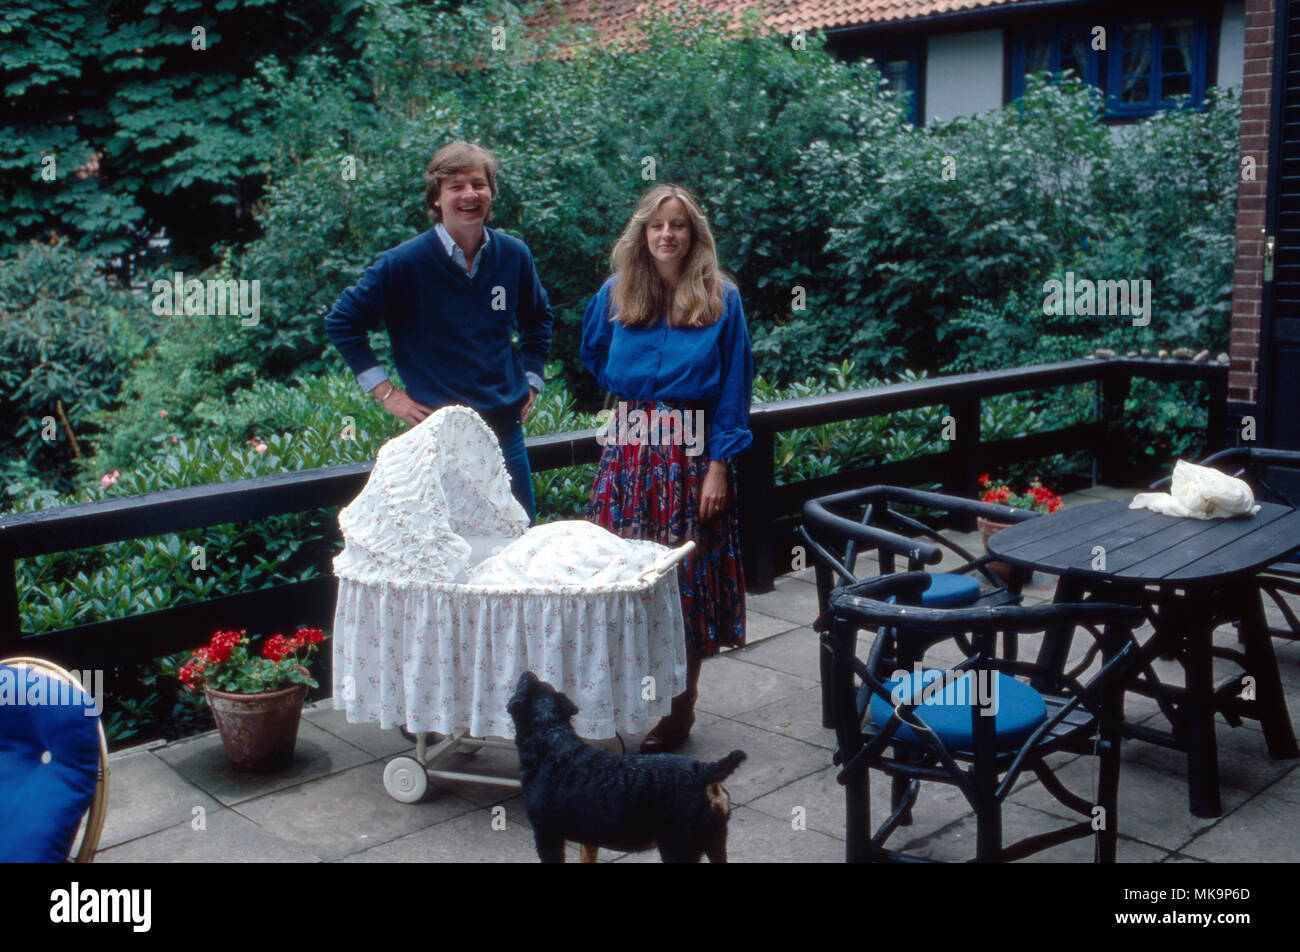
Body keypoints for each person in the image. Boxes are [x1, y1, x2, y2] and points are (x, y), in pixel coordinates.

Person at [581, 184, 753, 753]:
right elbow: (592, 356)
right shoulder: (616, 293)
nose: (667, 234)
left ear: (694, 234)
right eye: (657, 225)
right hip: (627, 460)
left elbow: (734, 390)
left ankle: (681, 713)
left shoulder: (721, 299)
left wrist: (718, 467)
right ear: (642, 233)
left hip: (690, 462)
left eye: (678, 225)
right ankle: (628, 698)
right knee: (621, 583)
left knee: (687, 584)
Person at [324, 141, 553, 520]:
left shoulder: (514, 255)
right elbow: (342, 321)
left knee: (519, 539)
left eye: (479, 184)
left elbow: (538, 317)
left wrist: (533, 378)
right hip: (439, 436)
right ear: (436, 198)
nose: (469, 195)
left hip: (505, 432)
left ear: (492, 192)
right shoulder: (403, 264)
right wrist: (386, 393)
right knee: (456, 553)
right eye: (456, 186)